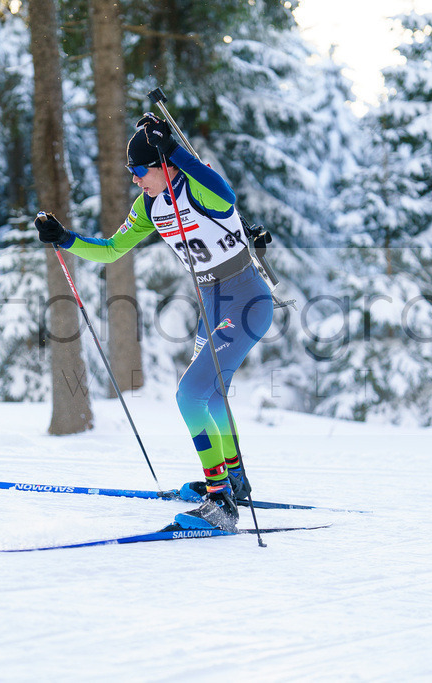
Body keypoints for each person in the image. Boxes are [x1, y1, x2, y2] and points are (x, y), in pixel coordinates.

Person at [34, 114, 273, 532]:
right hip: (213, 304)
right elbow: (111, 250)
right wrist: (64, 238)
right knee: (210, 394)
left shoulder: (199, 184)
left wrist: (174, 148)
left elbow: (227, 197)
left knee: (190, 394)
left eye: (141, 170)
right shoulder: (149, 204)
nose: (136, 179)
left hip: (247, 299)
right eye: (131, 172)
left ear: (163, 165)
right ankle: (233, 481)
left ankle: (221, 504)